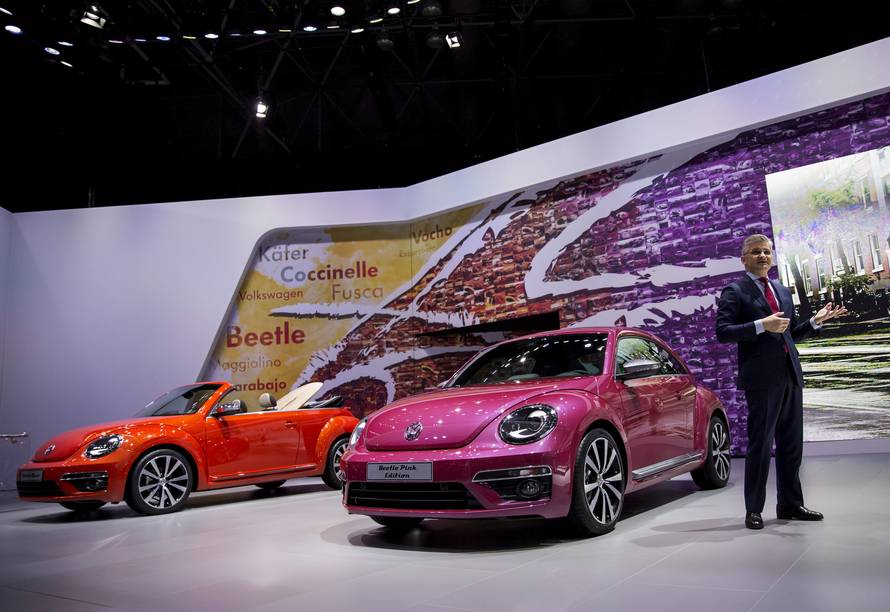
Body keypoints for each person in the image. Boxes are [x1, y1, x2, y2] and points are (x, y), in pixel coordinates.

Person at [716, 234, 847, 530]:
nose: (762, 256)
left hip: (790, 375)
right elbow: (723, 332)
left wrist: (814, 323)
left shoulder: (782, 291)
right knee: (761, 446)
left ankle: (790, 504)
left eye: (766, 251)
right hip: (761, 380)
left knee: (791, 445)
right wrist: (762, 325)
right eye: (755, 252)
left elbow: (788, 335)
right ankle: (753, 509)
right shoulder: (735, 291)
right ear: (744, 259)